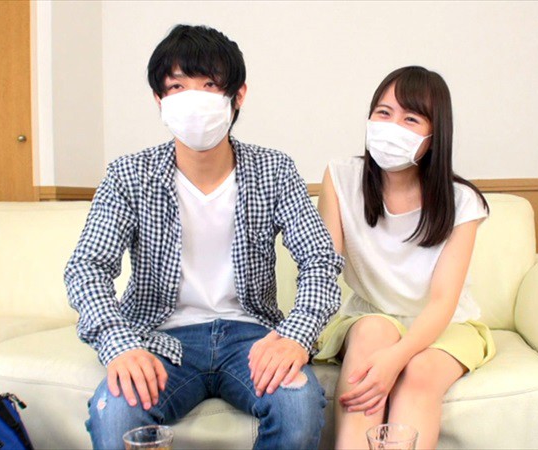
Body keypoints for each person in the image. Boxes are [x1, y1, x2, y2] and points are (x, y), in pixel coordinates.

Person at [64, 24, 343, 450]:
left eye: (209, 85)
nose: (193, 100)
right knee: (117, 412)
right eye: (177, 87)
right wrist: (118, 344)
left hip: (252, 335)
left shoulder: (275, 170)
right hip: (159, 336)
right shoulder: (128, 174)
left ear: (238, 95)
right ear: (159, 100)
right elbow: (87, 267)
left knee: (298, 407)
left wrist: (296, 335)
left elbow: (320, 258)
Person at [315, 66, 496, 449]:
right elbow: (323, 266)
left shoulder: (463, 202)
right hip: (369, 317)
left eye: (410, 119)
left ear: (434, 135)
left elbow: (443, 301)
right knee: (372, 333)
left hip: (445, 325)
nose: (392, 126)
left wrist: (396, 358)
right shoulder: (341, 177)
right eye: (383, 113)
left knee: (420, 371)